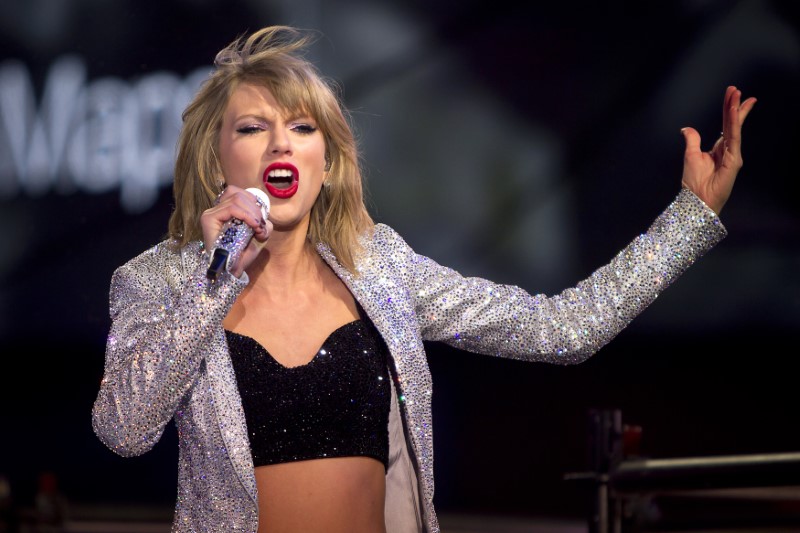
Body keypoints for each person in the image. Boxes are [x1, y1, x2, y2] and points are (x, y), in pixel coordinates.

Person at [91, 25, 756, 533]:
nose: (281, 144)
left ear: (327, 160)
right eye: (252, 128)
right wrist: (215, 283)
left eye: (301, 126)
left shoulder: (378, 265)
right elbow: (123, 428)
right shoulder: (158, 282)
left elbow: (564, 327)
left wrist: (689, 219)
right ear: (217, 159)